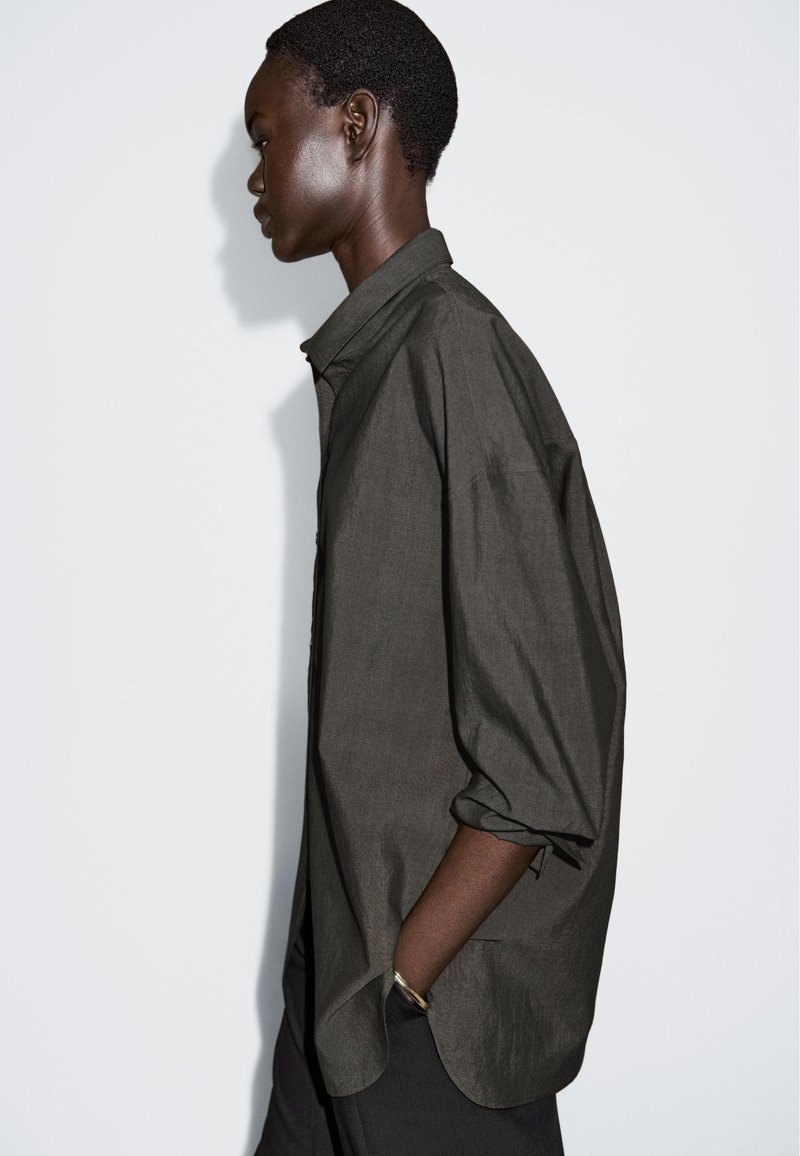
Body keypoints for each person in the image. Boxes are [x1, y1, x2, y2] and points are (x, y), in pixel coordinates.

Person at [244, 2, 626, 1153]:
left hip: (423, 1026)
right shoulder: (376, 360)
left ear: (357, 124)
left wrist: (401, 977)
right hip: (338, 986)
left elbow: (545, 755)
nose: (251, 176)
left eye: (265, 137)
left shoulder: (449, 355)